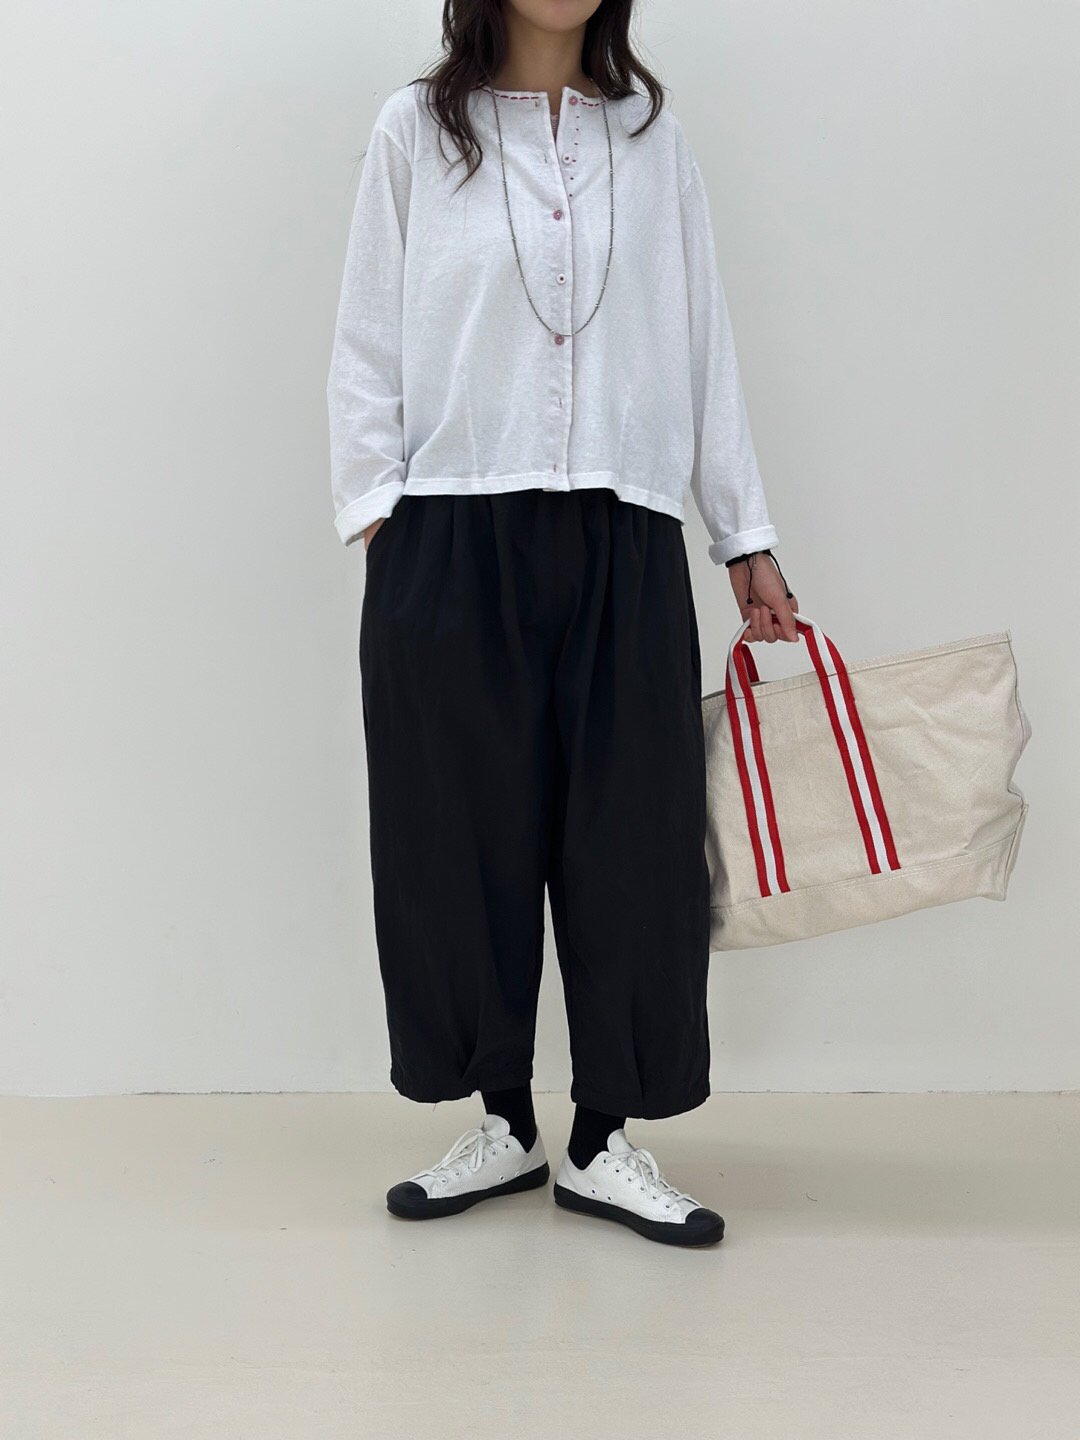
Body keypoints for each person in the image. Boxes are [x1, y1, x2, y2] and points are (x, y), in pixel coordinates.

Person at [325, 0, 798, 1249]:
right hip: (449, 529)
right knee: (454, 841)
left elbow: (702, 341)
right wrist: (380, 516)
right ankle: (500, 1122)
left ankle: (601, 1141)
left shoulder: (652, 139)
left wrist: (742, 533)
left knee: (635, 844)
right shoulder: (415, 131)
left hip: (625, 528)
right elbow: (365, 337)